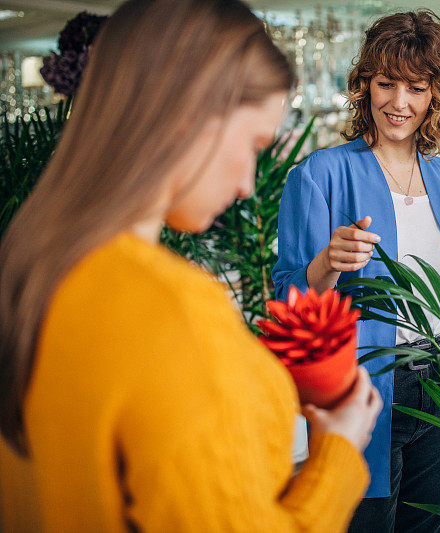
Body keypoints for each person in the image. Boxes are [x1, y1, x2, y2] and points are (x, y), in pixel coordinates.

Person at [0, 1, 381, 531]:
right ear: (189, 116)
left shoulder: (30, 263)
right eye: (252, 144)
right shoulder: (171, 309)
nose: (250, 183)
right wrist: (337, 453)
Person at [273, 10, 440, 533]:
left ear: (437, 94)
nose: (399, 102)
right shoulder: (321, 174)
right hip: (366, 390)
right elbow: (284, 298)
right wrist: (324, 266)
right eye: (386, 83)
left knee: (426, 524)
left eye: (416, 86)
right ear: (364, 84)